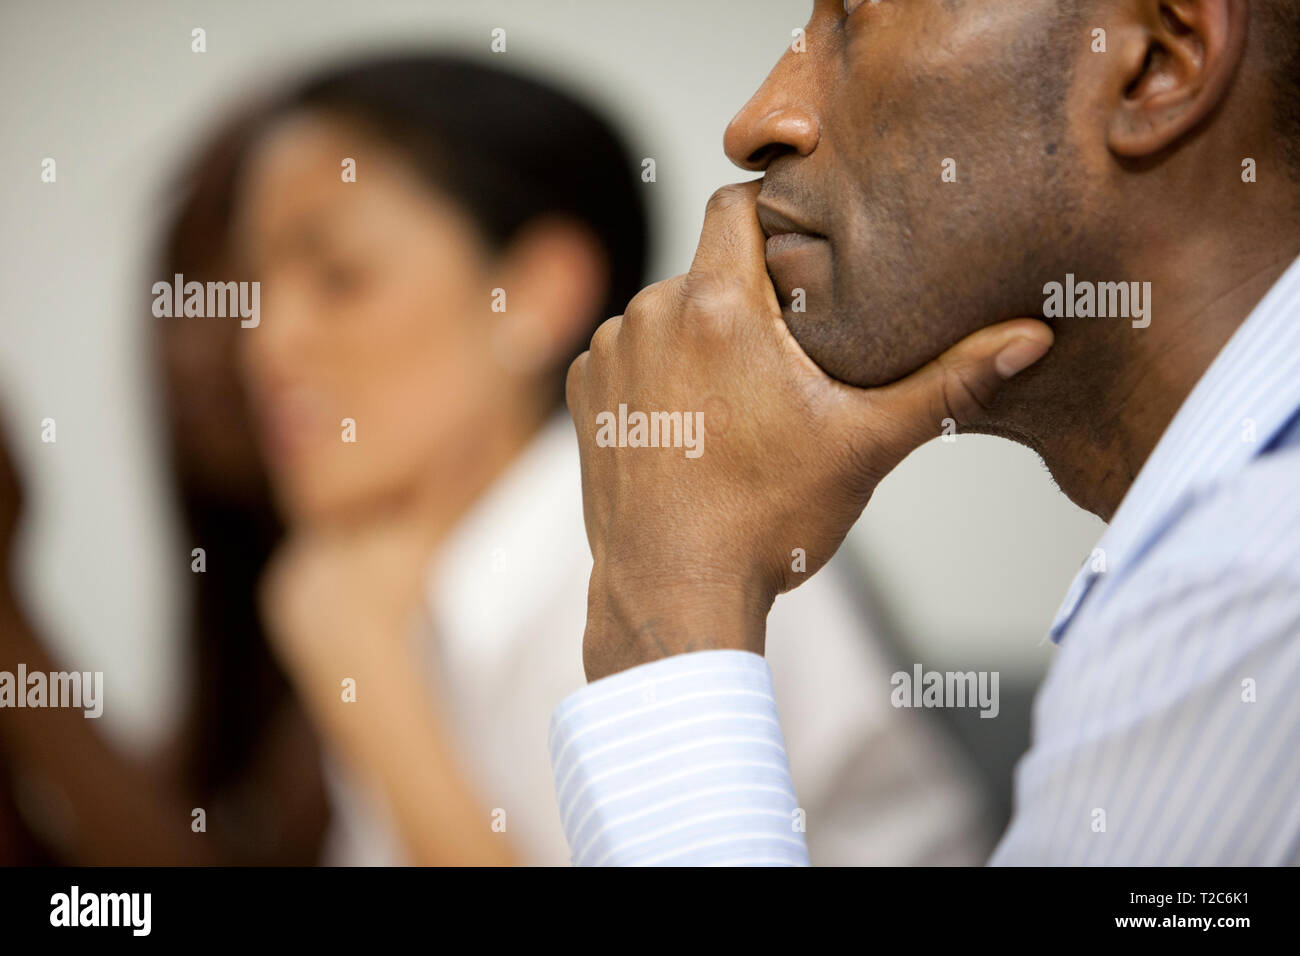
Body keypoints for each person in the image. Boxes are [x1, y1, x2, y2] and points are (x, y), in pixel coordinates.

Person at [550, 0, 1300, 865]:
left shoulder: (1252, 583)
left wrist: (666, 597)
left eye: (854, 18)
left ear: (1155, 63)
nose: (760, 122)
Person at [229, 53, 993, 865]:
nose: (266, 345)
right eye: (252, 286)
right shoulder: (384, 577)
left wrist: (374, 684)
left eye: (341, 279)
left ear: (536, 292)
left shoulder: (666, 551)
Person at [0, 111, 330, 864]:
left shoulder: (406, 593)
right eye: (183, 295)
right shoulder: (257, 595)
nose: (189, 354)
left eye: (244, 295)